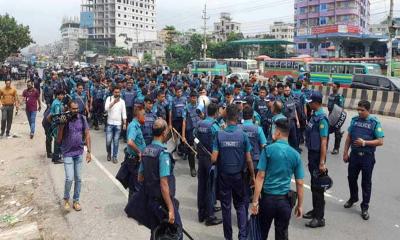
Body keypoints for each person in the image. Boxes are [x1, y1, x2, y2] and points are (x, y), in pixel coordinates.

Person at [251, 118, 304, 240]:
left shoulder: (268, 150)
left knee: (261, 233)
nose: (273, 132)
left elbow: (260, 176)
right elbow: (300, 183)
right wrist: (300, 205)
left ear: (279, 133)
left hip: (267, 201)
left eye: (274, 130)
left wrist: (255, 201)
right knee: (281, 235)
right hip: (284, 203)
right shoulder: (295, 155)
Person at [211, 104, 255, 240]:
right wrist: (253, 176)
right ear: (238, 117)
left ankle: (228, 237)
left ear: (226, 116)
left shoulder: (219, 134)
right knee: (241, 206)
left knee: (226, 207)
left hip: (224, 176)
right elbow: (248, 159)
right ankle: (242, 236)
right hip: (239, 176)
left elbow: (213, 158)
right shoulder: (243, 135)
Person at [138, 118, 183, 240]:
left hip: (151, 201)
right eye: (167, 130)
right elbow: (164, 184)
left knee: (155, 233)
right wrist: (171, 209)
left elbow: (140, 177)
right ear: (163, 133)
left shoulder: (146, 150)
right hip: (162, 203)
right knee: (175, 234)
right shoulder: (163, 154)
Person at [342, 100, 384, 220]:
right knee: (351, 178)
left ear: (368, 110)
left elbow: (380, 141)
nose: (360, 112)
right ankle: (353, 197)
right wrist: (345, 152)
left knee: (366, 183)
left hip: (367, 158)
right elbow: (349, 137)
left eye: (362, 110)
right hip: (354, 156)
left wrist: (364, 143)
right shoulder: (355, 120)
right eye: (358, 110)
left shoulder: (374, 122)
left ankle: (364, 207)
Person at [57, 101, 91, 211]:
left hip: (79, 153)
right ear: (69, 109)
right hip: (67, 153)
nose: (75, 110)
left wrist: (89, 152)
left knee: (78, 178)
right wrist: (62, 126)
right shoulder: (64, 119)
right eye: (73, 108)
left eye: (76, 108)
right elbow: (58, 140)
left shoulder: (82, 119)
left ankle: (76, 200)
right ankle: (66, 199)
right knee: (69, 178)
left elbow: (87, 134)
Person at [194, 103, 223, 226]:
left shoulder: (200, 123)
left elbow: (194, 137)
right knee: (210, 187)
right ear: (216, 113)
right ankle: (210, 216)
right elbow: (220, 143)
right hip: (212, 159)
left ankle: (201, 213)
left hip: (201, 158)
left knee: (201, 186)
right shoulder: (215, 126)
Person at [303, 91, 329, 228]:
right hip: (312, 156)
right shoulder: (314, 116)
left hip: (318, 156)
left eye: (310, 102)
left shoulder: (322, 119)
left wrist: (322, 162)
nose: (309, 104)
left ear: (316, 103)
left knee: (318, 188)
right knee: (314, 186)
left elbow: (324, 142)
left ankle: (320, 218)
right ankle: (315, 211)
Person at [126, 106, 146, 198]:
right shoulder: (134, 126)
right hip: (134, 160)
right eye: (143, 115)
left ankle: (131, 209)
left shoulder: (136, 125)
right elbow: (130, 142)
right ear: (138, 116)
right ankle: (134, 210)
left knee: (134, 186)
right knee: (136, 186)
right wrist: (139, 152)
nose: (145, 117)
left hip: (134, 160)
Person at [105, 86, 127, 163]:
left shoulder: (122, 101)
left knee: (116, 141)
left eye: (118, 92)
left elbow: (124, 113)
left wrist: (124, 123)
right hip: (110, 123)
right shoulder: (109, 99)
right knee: (108, 141)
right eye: (115, 92)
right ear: (113, 92)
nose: (117, 94)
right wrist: (114, 102)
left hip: (118, 124)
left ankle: (114, 156)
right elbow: (106, 108)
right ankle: (109, 153)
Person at [241, 105, 267, 173]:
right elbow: (263, 146)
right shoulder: (258, 129)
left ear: (243, 116)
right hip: (255, 161)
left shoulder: (238, 129)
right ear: (252, 116)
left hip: (241, 161)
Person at [182, 90, 201, 177]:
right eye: (193, 97)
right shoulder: (186, 108)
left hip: (199, 133)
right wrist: (183, 136)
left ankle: (201, 168)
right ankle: (192, 168)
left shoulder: (200, 106)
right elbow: (184, 122)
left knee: (200, 149)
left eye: (195, 97)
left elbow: (203, 117)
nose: (194, 99)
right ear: (190, 98)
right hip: (190, 133)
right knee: (191, 151)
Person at [281, 85, 300, 152]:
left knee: (294, 138)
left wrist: (297, 121)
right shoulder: (280, 99)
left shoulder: (292, 98)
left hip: (292, 122)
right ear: (283, 91)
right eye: (286, 90)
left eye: (288, 90)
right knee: (285, 138)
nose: (287, 92)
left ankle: (295, 152)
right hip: (285, 122)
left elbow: (294, 110)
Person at [327, 82, 345, 155]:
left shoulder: (340, 97)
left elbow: (341, 108)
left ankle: (336, 148)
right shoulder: (330, 95)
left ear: (338, 88)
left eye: (334, 87)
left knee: (337, 133)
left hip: (336, 116)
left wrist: (338, 117)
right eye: (332, 86)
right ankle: (325, 146)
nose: (333, 88)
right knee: (326, 131)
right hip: (330, 115)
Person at [49, 90, 65, 164]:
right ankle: (56, 158)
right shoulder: (56, 104)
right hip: (57, 124)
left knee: (57, 140)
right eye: (60, 95)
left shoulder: (58, 102)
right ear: (57, 95)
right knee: (57, 141)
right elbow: (57, 115)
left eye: (62, 95)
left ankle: (55, 157)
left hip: (56, 124)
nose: (62, 96)